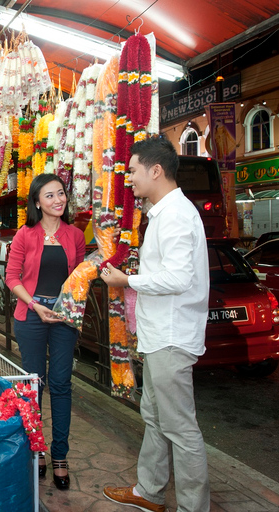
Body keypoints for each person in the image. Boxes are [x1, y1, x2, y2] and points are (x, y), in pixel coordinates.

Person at [101, 138, 210, 512]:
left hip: (171, 335)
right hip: (158, 334)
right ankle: (149, 491)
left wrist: (126, 281)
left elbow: (178, 278)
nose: (128, 178)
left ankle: (193, 507)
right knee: (155, 417)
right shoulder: (163, 212)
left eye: (132, 171)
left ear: (156, 170)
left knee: (180, 428)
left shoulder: (177, 214)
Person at [5, 173, 86, 490]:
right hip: (32, 316)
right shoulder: (25, 235)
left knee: (61, 383)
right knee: (33, 383)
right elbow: (12, 278)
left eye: (61, 193)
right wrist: (36, 306)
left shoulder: (75, 235)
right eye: (50, 195)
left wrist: (70, 307)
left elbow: (79, 277)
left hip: (64, 318)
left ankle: (60, 455)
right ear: (37, 202)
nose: (58, 199)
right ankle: (36, 448)